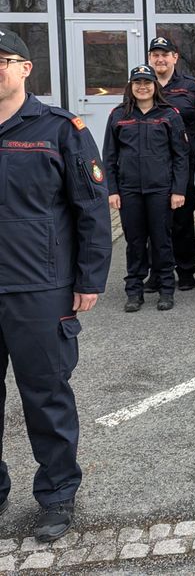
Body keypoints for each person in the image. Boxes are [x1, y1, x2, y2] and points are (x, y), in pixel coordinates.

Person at [0, 27, 111, 542]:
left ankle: (57, 494)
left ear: (25, 68)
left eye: (4, 59)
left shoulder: (58, 128)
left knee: (45, 396)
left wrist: (89, 278)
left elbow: (90, 210)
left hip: (39, 290)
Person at [103, 65, 189, 311]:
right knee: (135, 241)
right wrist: (112, 190)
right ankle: (134, 291)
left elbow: (180, 157)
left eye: (147, 82)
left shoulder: (169, 115)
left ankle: (165, 290)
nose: (142, 87)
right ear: (131, 86)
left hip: (160, 190)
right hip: (129, 190)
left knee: (162, 240)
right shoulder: (119, 115)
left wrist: (178, 190)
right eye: (137, 82)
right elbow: (108, 156)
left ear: (155, 86)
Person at [148, 36, 195, 290]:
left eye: (165, 54)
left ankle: (186, 270)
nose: (160, 59)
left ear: (175, 57)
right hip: (151, 165)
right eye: (155, 54)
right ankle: (157, 272)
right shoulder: (143, 86)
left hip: (182, 163)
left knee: (182, 217)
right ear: (150, 59)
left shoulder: (191, 87)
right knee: (154, 219)